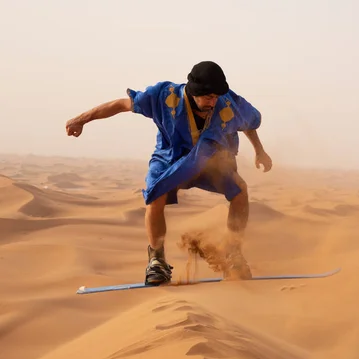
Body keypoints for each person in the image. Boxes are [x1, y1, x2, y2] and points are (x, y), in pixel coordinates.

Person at [65, 61, 273, 285]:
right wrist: (81, 120)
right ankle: (157, 261)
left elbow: (248, 123)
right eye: (208, 97)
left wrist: (260, 151)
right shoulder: (164, 96)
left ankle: (233, 254)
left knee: (240, 191)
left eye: (216, 96)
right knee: (155, 194)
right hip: (169, 159)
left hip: (211, 161)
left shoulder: (227, 103)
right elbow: (121, 105)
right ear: (194, 92)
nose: (213, 101)